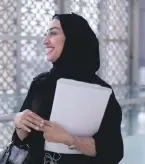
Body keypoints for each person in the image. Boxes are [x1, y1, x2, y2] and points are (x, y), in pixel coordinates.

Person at [13, 13, 123, 164]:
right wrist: (20, 124)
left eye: (53, 33)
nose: (45, 41)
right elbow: (20, 141)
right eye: (46, 34)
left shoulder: (100, 90)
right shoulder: (40, 83)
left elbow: (114, 152)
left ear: (73, 39)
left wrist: (69, 139)